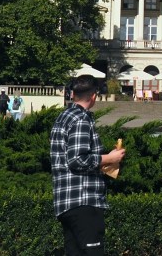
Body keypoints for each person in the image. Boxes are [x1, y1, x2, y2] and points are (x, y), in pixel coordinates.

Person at [51, 74, 126, 256]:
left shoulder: (64, 117)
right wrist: (109, 158)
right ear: (94, 96)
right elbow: (77, 159)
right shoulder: (80, 119)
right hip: (84, 200)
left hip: (66, 201)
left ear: (73, 94)